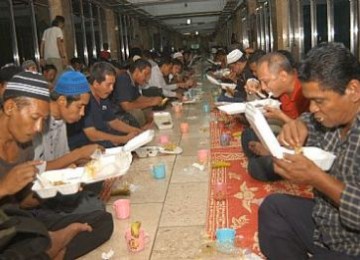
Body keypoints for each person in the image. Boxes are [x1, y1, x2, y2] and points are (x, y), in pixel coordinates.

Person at [258, 42, 360, 259]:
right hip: (326, 223)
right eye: (309, 100)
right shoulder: (328, 117)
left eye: (319, 101)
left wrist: (317, 178)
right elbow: (306, 119)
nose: (313, 109)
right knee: (274, 207)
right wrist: (299, 124)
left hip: (353, 246)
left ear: (353, 90)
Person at [0, 71, 113, 259]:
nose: (38, 128)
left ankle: (48, 247)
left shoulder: (24, 146)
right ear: (10, 107)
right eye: (35, 117)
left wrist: (54, 187)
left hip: (20, 222)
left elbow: (24, 202)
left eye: (43, 120)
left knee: (102, 221)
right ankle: (50, 247)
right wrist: (4, 187)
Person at [241, 51, 309, 182]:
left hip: (302, 146)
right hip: (287, 139)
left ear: (283, 75)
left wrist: (280, 116)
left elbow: (307, 134)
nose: (264, 87)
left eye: (265, 82)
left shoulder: (305, 91)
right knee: (247, 136)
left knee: (256, 166)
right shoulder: (282, 90)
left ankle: (266, 158)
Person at [68, 62, 141, 150]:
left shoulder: (103, 96)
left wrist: (136, 131)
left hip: (104, 140)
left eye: (113, 84)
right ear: (95, 83)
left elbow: (113, 121)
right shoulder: (84, 99)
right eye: (108, 84)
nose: (112, 89)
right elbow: (92, 134)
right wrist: (123, 139)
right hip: (87, 145)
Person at [111, 59, 163, 128]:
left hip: (123, 111)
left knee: (149, 110)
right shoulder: (123, 79)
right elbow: (126, 106)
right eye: (146, 74)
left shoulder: (133, 81)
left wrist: (153, 99)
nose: (147, 79)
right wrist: (150, 102)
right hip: (117, 114)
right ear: (137, 71)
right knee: (138, 113)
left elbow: (138, 98)